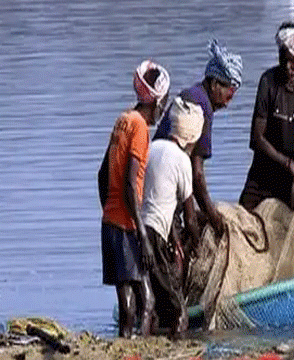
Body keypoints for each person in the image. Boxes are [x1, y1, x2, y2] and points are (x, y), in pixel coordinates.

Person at [101, 60, 170, 337]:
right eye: (164, 101)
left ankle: (126, 344)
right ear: (157, 101)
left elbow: (102, 174)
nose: (164, 109)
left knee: (127, 297)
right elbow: (131, 185)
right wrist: (142, 234)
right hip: (127, 225)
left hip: (111, 222)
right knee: (145, 300)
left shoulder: (123, 120)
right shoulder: (140, 127)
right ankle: (134, 348)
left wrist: (110, 211)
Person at [155, 39, 242, 239]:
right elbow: (197, 175)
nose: (227, 104)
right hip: (166, 199)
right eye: (229, 95)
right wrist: (214, 218)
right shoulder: (202, 107)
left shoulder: (190, 95)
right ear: (214, 84)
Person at [239, 22, 294, 210]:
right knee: (242, 218)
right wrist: (288, 163)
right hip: (261, 174)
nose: (288, 67)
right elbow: (257, 138)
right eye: (284, 60)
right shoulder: (268, 82)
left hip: (291, 180)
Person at [141, 97, 204, 336]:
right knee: (179, 312)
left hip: (138, 234)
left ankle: (147, 345)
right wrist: (197, 245)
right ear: (191, 138)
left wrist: (175, 239)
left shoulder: (152, 147)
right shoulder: (182, 160)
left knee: (153, 305)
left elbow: (158, 198)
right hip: (156, 237)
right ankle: (177, 347)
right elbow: (190, 217)